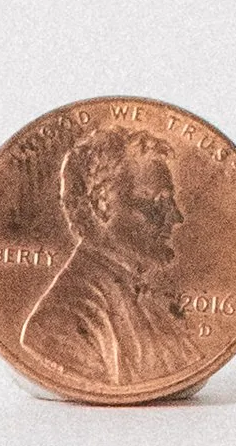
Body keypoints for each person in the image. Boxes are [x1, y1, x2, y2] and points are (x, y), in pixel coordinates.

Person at [18, 124, 196, 394]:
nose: (176, 217)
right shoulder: (60, 322)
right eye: (158, 203)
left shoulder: (152, 301)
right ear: (102, 204)